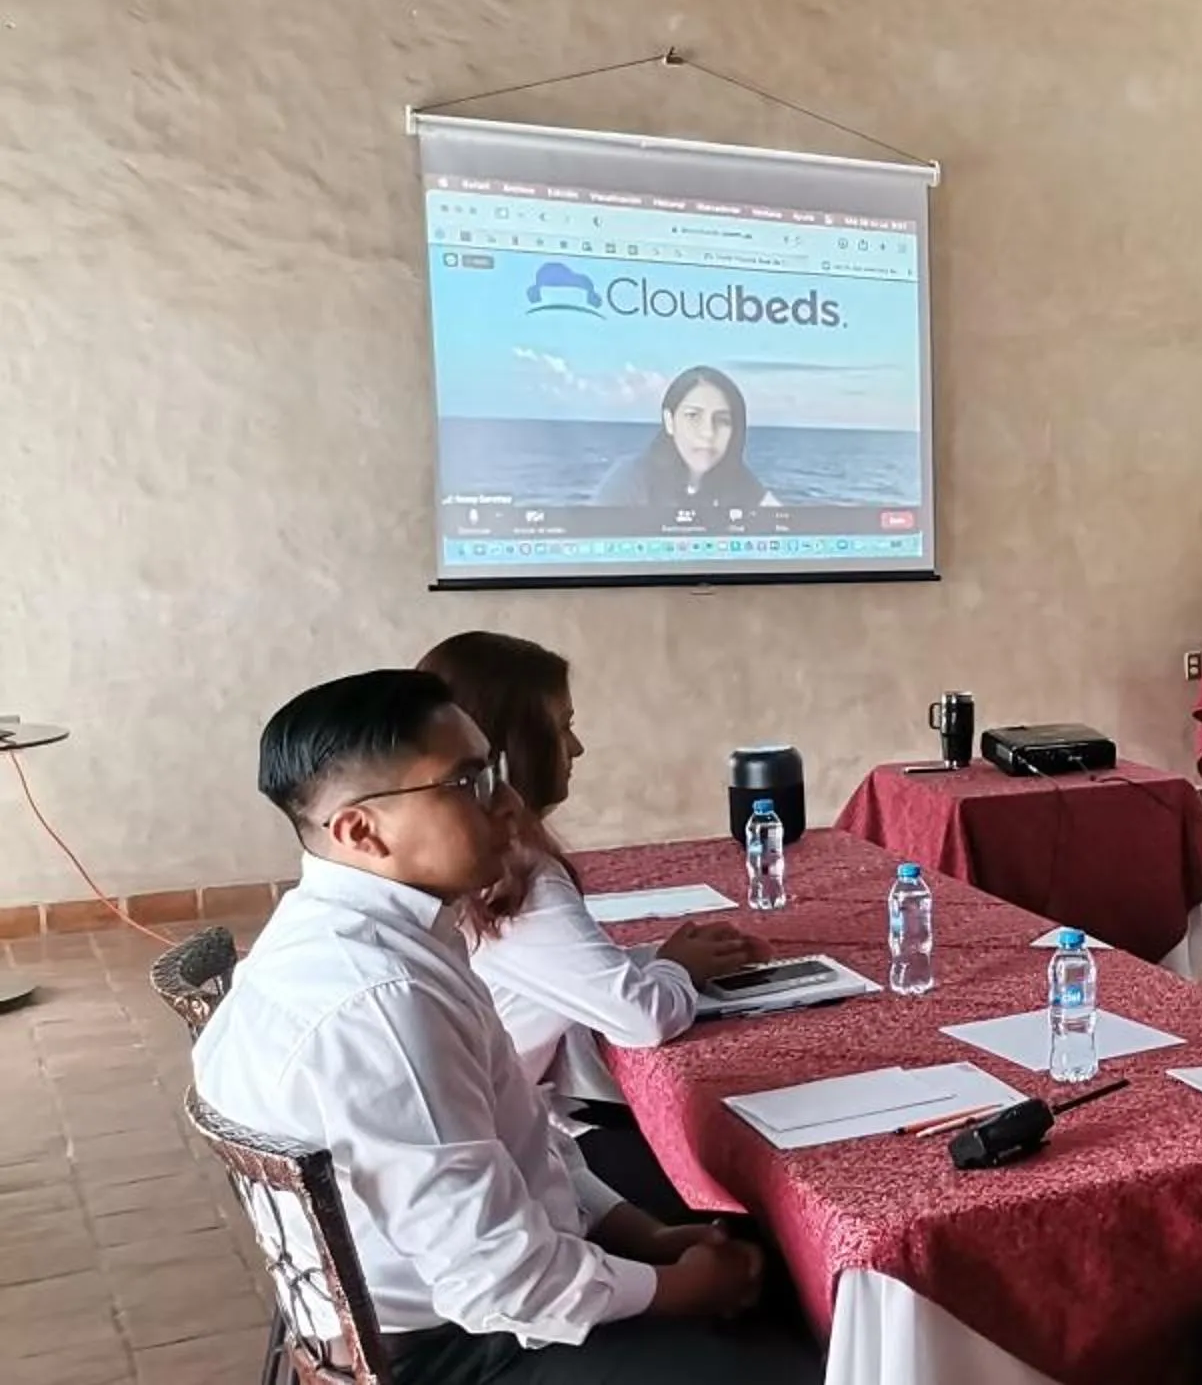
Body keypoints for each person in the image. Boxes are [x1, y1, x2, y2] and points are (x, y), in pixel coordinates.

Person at [192, 670, 819, 1385]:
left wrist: (644, 1235)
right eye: (469, 783)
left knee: (777, 1280)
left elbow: (518, 1138)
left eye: (492, 770)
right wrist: (678, 1290)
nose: (510, 802)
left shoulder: (359, 931)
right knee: (805, 1355)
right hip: (448, 1348)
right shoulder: (381, 999)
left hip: (455, 1302)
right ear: (362, 831)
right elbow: (500, 1285)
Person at [418, 631, 763, 1212]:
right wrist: (676, 971)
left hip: (504, 1125)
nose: (576, 748)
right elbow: (641, 1018)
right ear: (513, 747)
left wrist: (660, 958)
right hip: (523, 1152)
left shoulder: (476, 869)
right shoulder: (519, 879)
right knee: (738, 1194)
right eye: (562, 728)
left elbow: (560, 973)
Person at [590, 365, 781, 510]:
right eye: (693, 416)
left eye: (722, 420)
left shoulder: (740, 481)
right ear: (669, 421)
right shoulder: (629, 480)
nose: (708, 432)